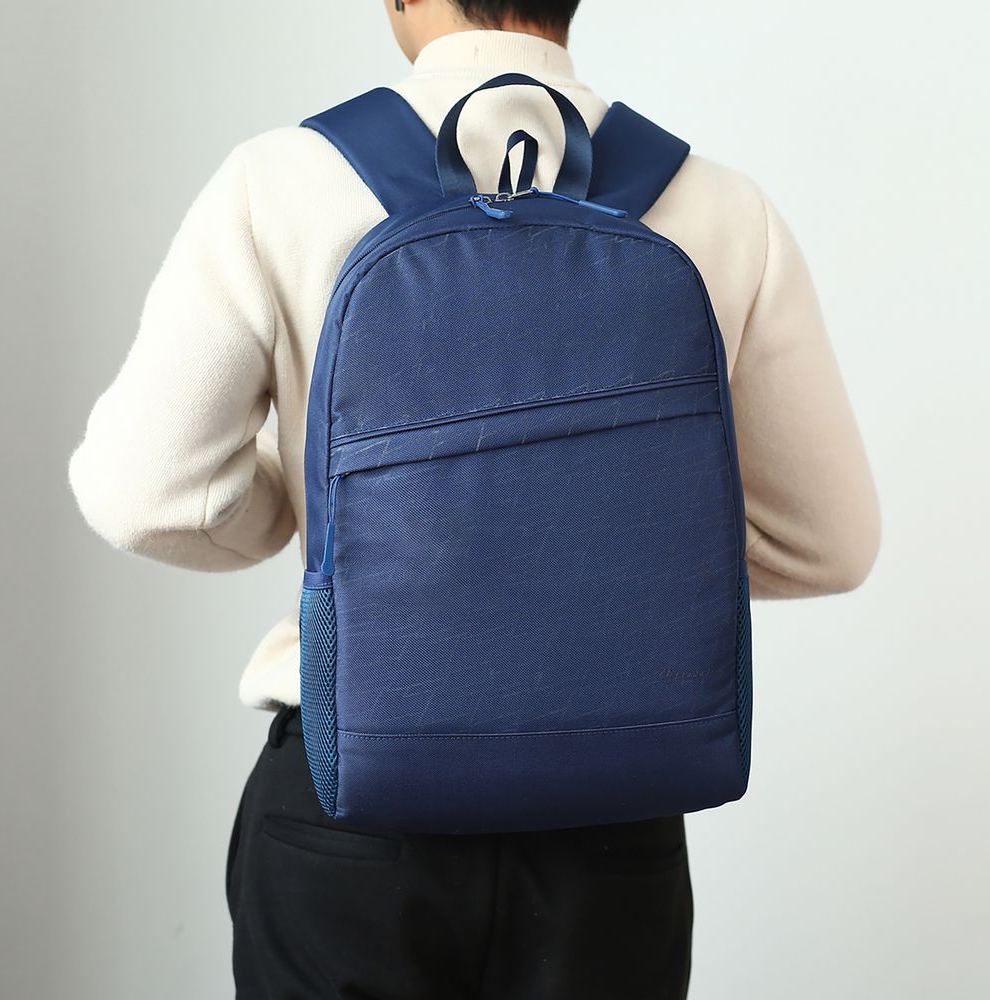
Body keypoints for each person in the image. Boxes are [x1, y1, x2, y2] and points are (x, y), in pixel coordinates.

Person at [68, 0, 881, 996]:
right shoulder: (720, 204)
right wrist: (622, 544)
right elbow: (831, 541)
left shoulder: (276, 181)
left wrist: (298, 513)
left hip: (352, 800)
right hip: (611, 812)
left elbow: (145, 493)